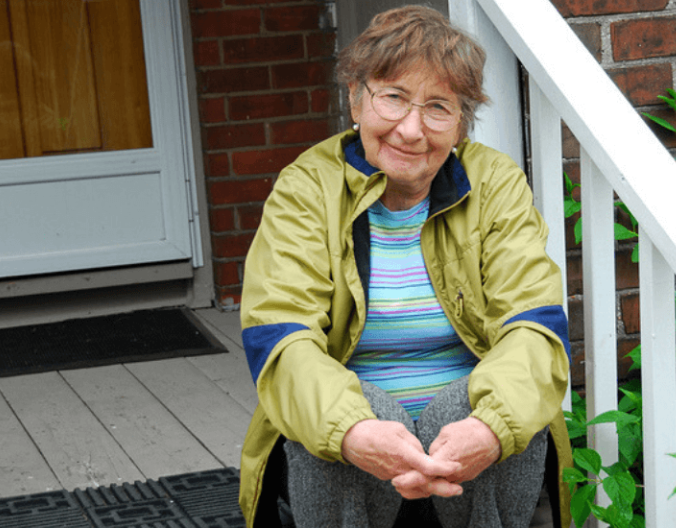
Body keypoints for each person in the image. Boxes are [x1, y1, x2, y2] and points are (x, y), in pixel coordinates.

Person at [238, 5, 572, 528]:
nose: (411, 130)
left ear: (461, 123)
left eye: (438, 107)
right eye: (393, 97)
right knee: (355, 409)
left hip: (471, 449)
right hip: (353, 459)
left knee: (477, 408)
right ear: (355, 98)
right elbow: (281, 339)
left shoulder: (495, 184)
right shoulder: (305, 188)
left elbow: (534, 328)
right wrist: (352, 430)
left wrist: (488, 426)